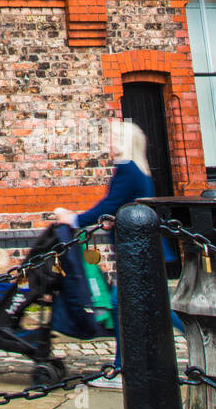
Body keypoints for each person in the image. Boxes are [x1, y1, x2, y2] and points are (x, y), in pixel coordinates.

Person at [51, 117, 182, 386]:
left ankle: (123, 369)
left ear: (123, 142)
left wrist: (73, 219)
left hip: (138, 252)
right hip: (144, 249)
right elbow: (125, 206)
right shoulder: (137, 170)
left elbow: (108, 204)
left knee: (123, 306)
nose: (108, 142)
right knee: (142, 305)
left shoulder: (127, 169)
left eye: (113, 137)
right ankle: (125, 365)